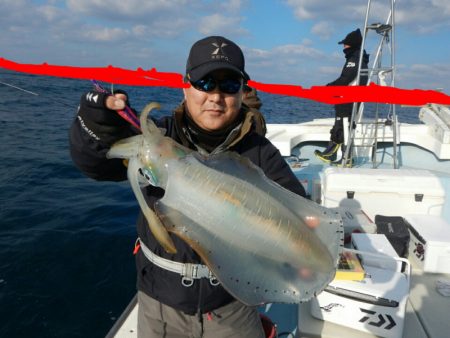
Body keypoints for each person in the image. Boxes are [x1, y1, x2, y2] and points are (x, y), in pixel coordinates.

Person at [69, 35, 306, 338]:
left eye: (229, 85)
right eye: (205, 83)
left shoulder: (259, 152)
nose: (216, 96)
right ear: (186, 86)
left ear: (241, 92)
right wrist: (95, 126)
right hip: (160, 304)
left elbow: (296, 211)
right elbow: (96, 162)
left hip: (232, 305)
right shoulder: (160, 137)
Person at [314, 28, 369, 165]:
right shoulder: (359, 58)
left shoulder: (355, 59)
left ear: (352, 44)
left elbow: (345, 79)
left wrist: (328, 87)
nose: (344, 47)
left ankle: (336, 155)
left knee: (342, 126)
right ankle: (343, 157)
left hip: (348, 99)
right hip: (352, 98)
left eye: (346, 44)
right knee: (344, 126)